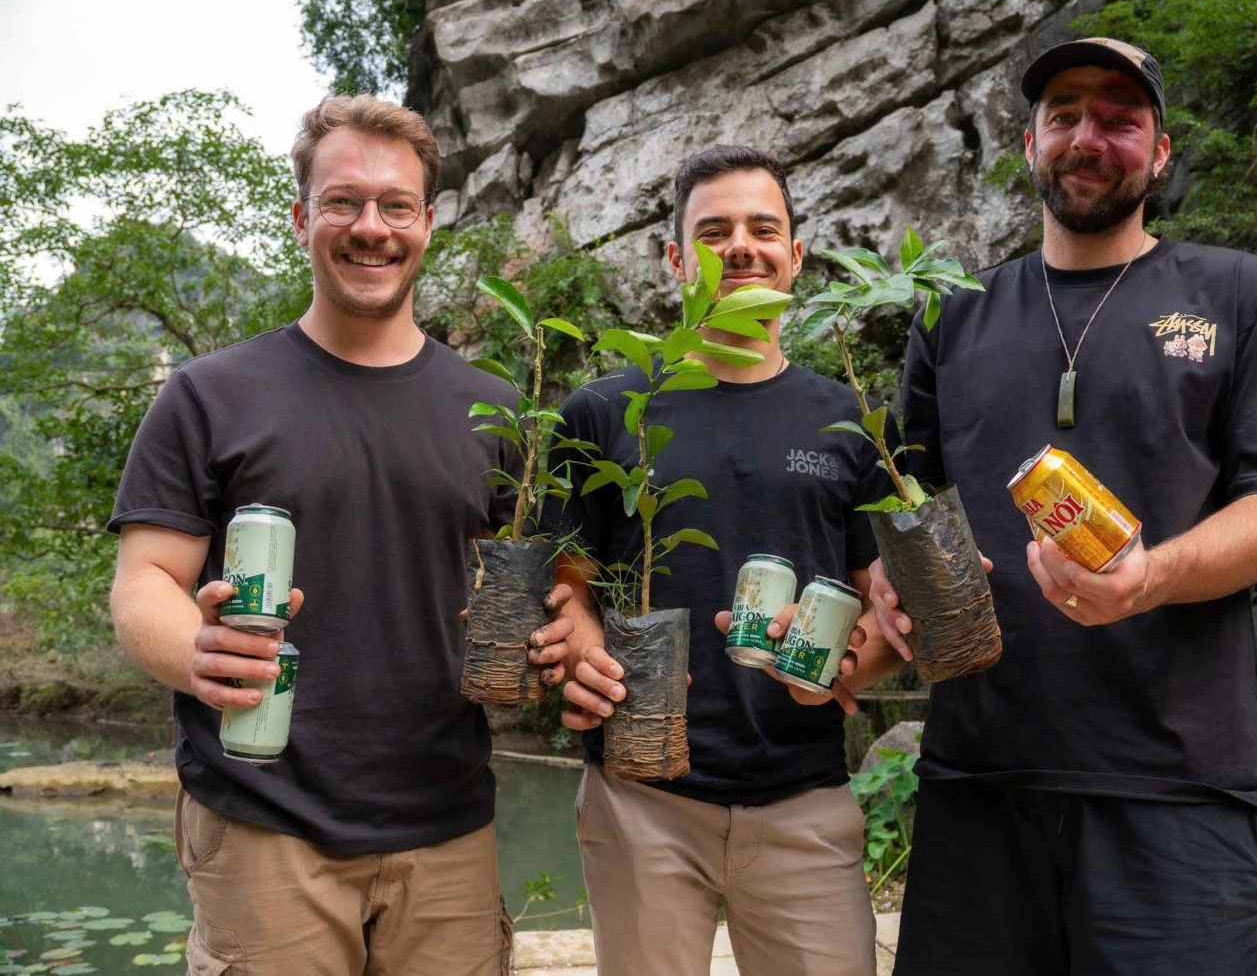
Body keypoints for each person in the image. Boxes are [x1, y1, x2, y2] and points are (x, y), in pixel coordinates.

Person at [869, 38, 1257, 974]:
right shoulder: (953, 313)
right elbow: (905, 501)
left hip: (1179, 786)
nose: (1090, 136)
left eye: (1121, 118)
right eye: (1065, 114)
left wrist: (1151, 576)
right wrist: (883, 587)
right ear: (1031, 141)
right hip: (979, 786)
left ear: (1160, 152)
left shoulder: (1244, 297)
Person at [108, 94, 572, 976]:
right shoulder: (210, 395)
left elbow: (529, 586)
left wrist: (555, 642)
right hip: (262, 821)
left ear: (427, 222)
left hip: (449, 828)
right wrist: (196, 649)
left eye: (396, 205)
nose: (372, 227)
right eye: (342, 202)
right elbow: (142, 585)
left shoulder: (496, 407)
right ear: (301, 218)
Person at [533, 145, 903, 975]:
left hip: (805, 793)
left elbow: (879, 603)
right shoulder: (605, 411)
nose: (740, 245)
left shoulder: (849, 419)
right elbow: (566, 583)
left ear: (795, 256)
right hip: (642, 798)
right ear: (675, 259)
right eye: (713, 231)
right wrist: (582, 643)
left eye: (762, 228)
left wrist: (849, 666)